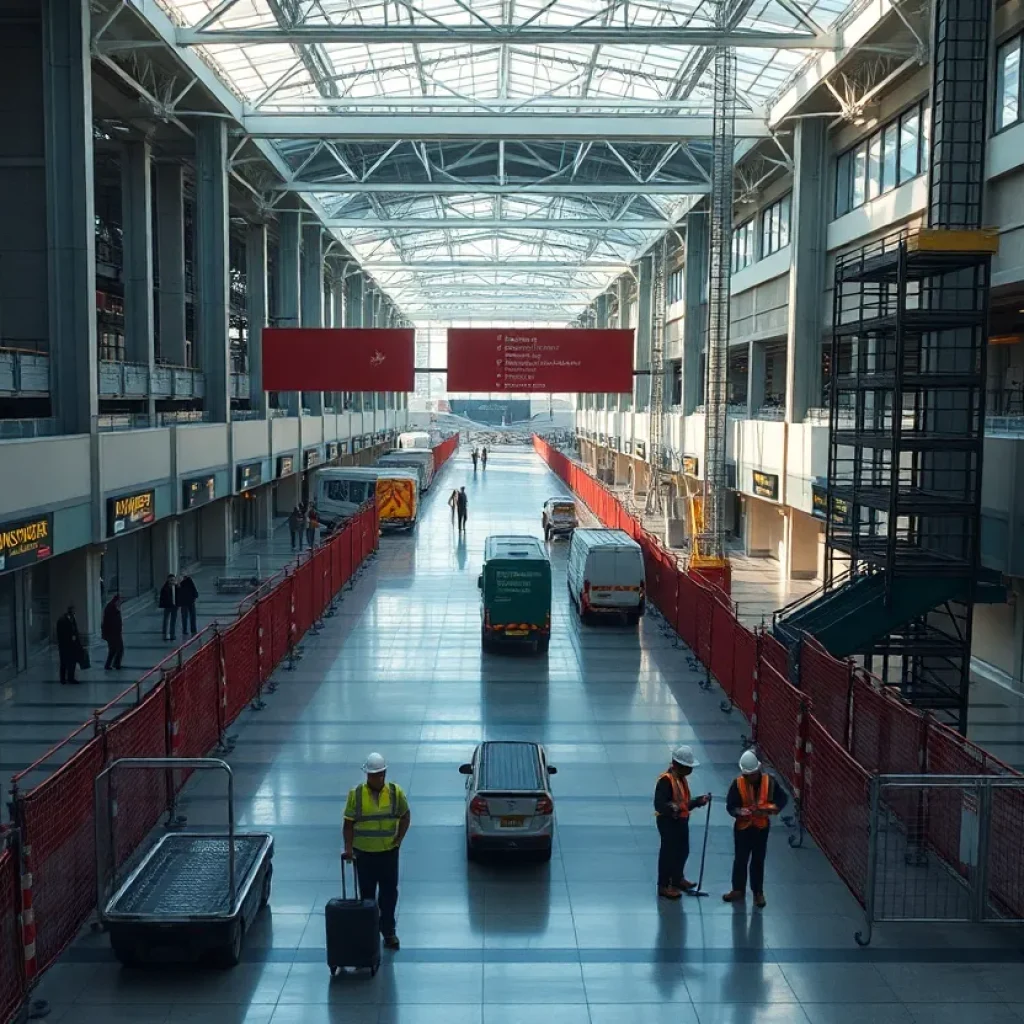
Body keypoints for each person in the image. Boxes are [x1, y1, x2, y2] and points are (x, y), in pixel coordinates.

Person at [342, 752, 411, 951]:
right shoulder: (356, 794)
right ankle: (368, 932)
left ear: (385, 773)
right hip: (363, 855)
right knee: (367, 896)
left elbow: (405, 816)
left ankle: (388, 931)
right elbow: (348, 824)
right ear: (367, 775)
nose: (376, 778)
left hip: (389, 853)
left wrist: (398, 839)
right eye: (373, 774)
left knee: (389, 895)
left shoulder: (395, 792)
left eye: (379, 774)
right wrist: (348, 849)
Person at [723, 750, 788, 908]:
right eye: (747, 775)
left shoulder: (769, 782)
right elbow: (731, 806)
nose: (749, 778)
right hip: (742, 828)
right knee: (740, 859)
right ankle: (738, 889)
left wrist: (770, 809)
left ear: (758, 771)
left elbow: (782, 799)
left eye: (751, 774)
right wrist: (739, 812)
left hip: (761, 828)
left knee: (758, 860)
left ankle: (758, 892)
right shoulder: (738, 784)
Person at [654, 745, 711, 899]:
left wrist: (698, 801)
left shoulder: (681, 779)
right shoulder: (666, 781)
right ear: (678, 765)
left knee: (682, 850)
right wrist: (672, 808)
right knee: (668, 853)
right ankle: (664, 885)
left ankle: (677, 878)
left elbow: (683, 802)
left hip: (681, 821)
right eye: (688, 767)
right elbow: (659, 804)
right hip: (668, 823)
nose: (690, 770)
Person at [56, 605, 81, 685]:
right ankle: (63, 679)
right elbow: (61, 634)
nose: (74, 612)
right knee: (64, 662)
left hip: (72, 645)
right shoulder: (62, 620)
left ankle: (70, 678)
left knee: (72, 662)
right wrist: (70, 638)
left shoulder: (72, 619)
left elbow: (75, 632)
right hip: (65, 645)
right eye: (73, 611)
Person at [101, 594, 124, 671]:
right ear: (116, 601)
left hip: (115, 633)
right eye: (119, 601)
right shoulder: (111, 608)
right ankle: (116, 664)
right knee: (118, 649)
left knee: (113, 650)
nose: (120, 603)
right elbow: (109, 622)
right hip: (112, 634)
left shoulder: (113, 607)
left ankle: (111, 665)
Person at [177, 573, 199, 638]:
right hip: (187, 601)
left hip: (188, 601)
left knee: (187, 616)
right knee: (188, 616)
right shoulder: (182, 583)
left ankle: (189, 630)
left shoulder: (187, 581)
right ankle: (190, 630)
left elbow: (193, 589)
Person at [159, 574, 177, 641]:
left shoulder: (176, 587)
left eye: (173, 580)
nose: (172, 581)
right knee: (166, 620)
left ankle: (172, 634)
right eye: (171, 580)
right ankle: (165, 634)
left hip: (175, 606)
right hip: (168, 606)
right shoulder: (165, 588)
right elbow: (163, 598)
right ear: (168, 580)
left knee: (173, 621)